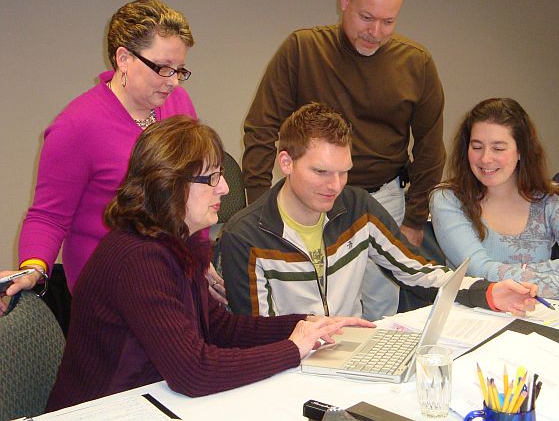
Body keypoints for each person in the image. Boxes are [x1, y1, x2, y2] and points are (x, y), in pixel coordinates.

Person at [45, 116, 372, 411]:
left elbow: (219, 328)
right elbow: (193, 372)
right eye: (212, 178)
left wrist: (312, 325)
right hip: (105, 410)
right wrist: (292, 348)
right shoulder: (138, 258)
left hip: (148, 401)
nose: (226, 188)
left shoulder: (173, 242)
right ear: (170, 183)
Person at [242, 0, 446, 320]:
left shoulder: (416, 63)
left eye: (388, 21)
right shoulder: (303, 49)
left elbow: (430, 148)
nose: (376, 32)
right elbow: (261, 128)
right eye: (367, 17)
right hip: (313, 201)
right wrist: (259, 209)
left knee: (383, 312)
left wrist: (415, 220)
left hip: (384, 200)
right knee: (314, 310)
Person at [1, 0, 224, 314]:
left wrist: (199, 259)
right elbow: (48, 215)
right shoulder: (76, 126)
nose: (173, 81)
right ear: (124, 58)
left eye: (180, 70)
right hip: (110, 293)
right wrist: (34, 268)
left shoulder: (179, 105)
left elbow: (194, 193)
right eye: (163, 68)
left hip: (171, 280)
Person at [218, 103, 537, 319]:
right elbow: (256, 334)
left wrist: (489, 292)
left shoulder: (358, 209)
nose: (335, 185)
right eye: (321, 172)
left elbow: (419, 274)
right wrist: (317, 334)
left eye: (344, 172)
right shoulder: (245, 235)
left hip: (349, 356)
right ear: (286, 162)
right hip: (290, 367)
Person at [429, 98, 559, 305]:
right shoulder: (448, 199)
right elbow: (478, 270)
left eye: (498, 148)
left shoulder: (553, 199)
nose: (485, 159)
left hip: (537, 311)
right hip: (472, 313)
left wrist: (522, 275)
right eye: (477, 147)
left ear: (521, 151)